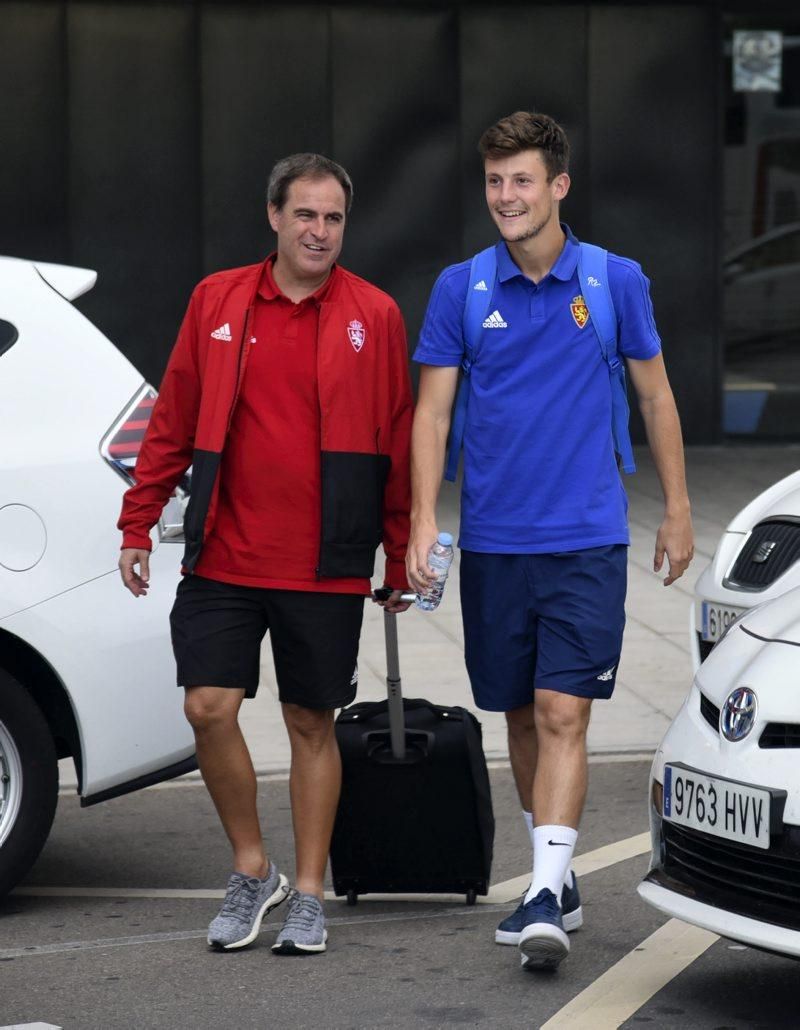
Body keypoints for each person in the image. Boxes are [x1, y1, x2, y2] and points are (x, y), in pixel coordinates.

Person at [406, 112, 693, 972]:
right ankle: (555, 870)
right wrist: (424, 519)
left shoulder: (613, 282)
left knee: (565, 710)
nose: (506, 197)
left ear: (559, 186)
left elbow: (656, 399)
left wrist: (677, 508)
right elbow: (432, 411)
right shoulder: (463, 287)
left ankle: (543, 893)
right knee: (521, 714)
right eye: (495, 182)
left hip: (586, 539)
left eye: (522, 181)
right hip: (494, 542)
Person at [118, 153, 413, 956]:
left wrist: (401, 547)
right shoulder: (217, 298)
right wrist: (138, 521)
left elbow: (395, 437)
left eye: (335, 218)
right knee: (207, 708)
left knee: (310, 722)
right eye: (306, 215)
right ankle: (254, 869)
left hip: (327, 558)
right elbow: (173, 414)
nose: (320, 231)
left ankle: (309, 891)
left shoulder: (375, 314)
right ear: (275, 217)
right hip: (223, 552)